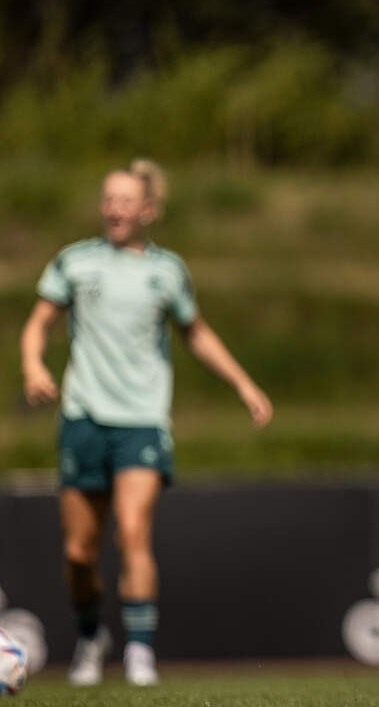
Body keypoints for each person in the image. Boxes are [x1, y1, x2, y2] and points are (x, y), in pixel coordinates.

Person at [19, 160, 273, 686]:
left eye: (125, 199)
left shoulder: (167, 271)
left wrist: (243, 385)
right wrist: (32, 366)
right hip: (84, 417)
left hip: (142, 421)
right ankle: (92, 635)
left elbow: (196, 333)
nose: (114, 207)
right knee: (78, 553)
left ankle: (139, 653)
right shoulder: (74, 262)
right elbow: (39, 322)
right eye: (107, 198)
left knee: (133, 533)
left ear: (148, 210)